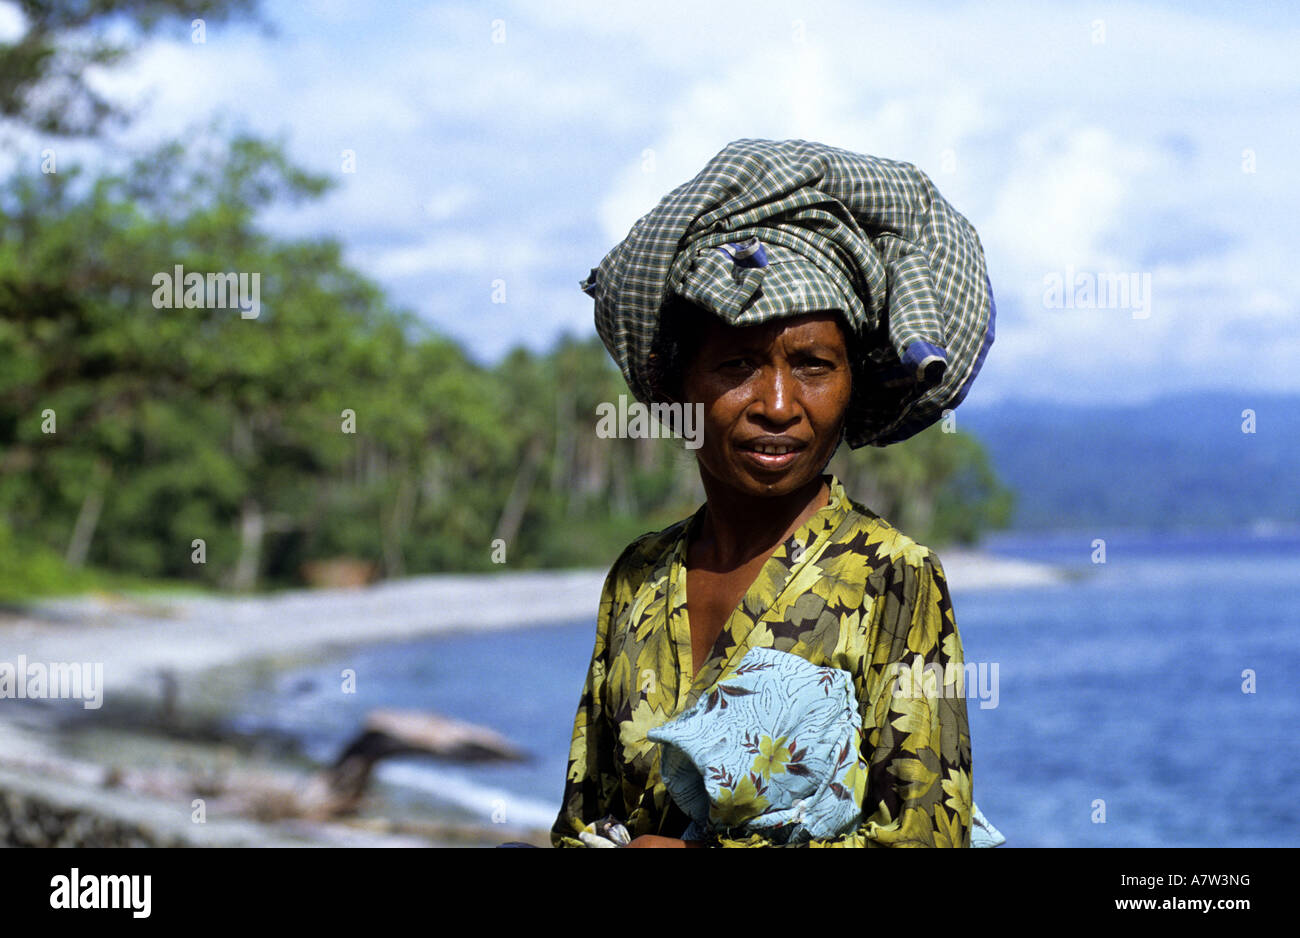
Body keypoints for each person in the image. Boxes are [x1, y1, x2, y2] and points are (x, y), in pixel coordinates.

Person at [550, 139, 996, 847]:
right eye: (737, 364)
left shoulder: (891, 576)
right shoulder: (640, 577)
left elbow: (925, 838)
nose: (779, 404)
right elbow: (585, 818)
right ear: (679, 385)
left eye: (813, 366)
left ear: (853, 384)